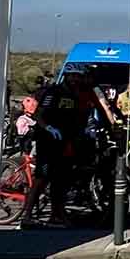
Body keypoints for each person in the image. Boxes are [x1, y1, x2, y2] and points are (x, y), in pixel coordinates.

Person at [19, 75, 80, 227]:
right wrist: (48, 127)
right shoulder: (54, 92)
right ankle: (27, 216)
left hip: (62, 142)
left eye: (79, 78)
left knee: (59, 180)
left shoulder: (74, 94)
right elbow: (39, 113)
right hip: (46, 141)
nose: (76, 81)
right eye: (74, 77)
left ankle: (56, 215)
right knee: (41, 178)